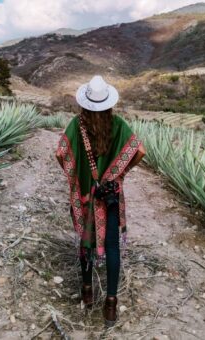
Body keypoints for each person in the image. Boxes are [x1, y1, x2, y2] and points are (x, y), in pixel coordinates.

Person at [55, 75, 146, 327]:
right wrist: (119, 174)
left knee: (86, 243)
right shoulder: (117, 125)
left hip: (86, 195)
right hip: (111, 195)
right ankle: (111, 305)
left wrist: (76, 178)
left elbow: (61, 153)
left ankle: (87, 290)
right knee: (112, 246)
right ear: (108, 103)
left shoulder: (77, 125)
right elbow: (139, 151)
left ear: (85, 102)